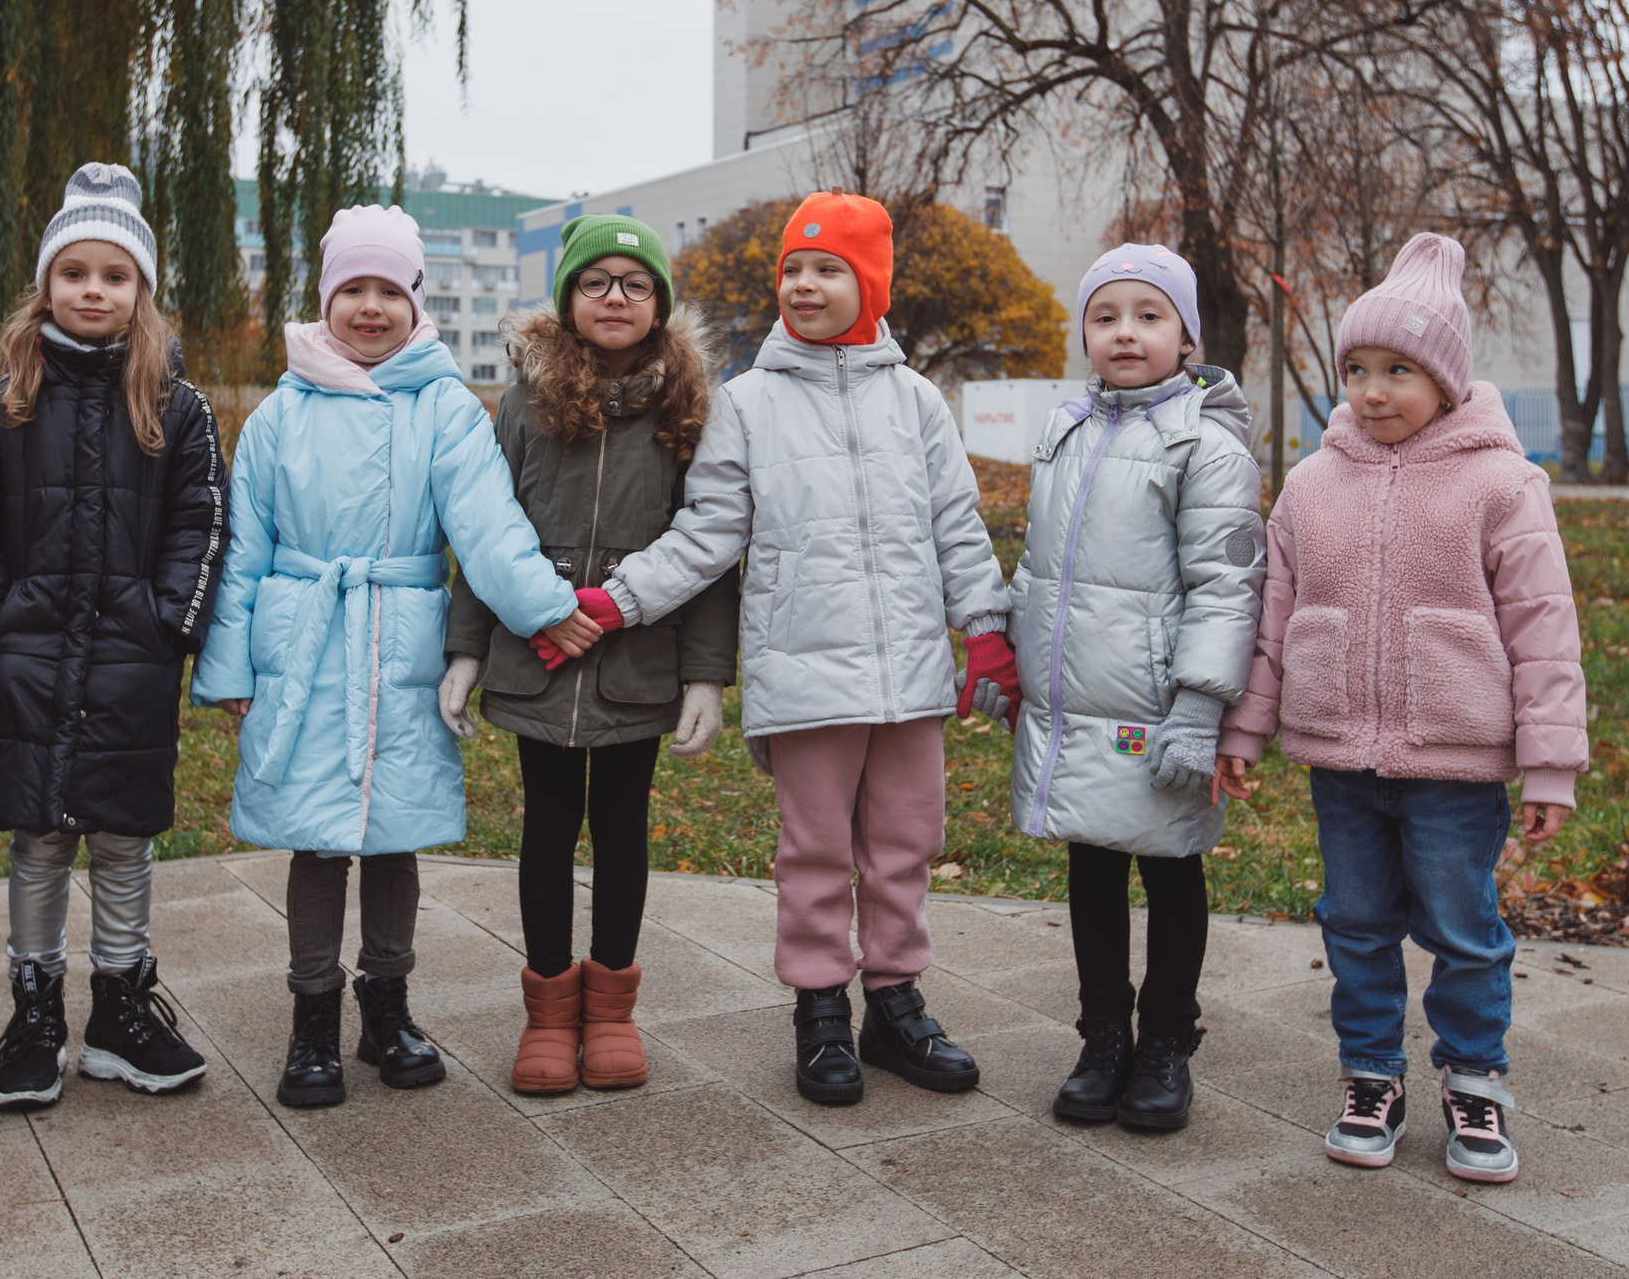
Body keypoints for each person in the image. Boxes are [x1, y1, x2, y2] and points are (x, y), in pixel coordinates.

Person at [568, 192, 1020, 1106]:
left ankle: (895, 1005)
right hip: (806, 674)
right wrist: (618, 601)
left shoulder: (918, 402)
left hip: (909, 680)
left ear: (872, 282)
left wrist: (988, 629)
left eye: (829, 269)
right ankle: (820, 1014)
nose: (805, 284)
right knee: (815, 848)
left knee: (903, 844)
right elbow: (706, 534)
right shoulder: (749, 403)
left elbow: (957, 528)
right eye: (794, 269)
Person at [192, 204, 598, 1110]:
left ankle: (388, 1005)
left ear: (416, 302)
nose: (370, 308)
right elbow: (243, 550)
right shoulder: (278, 417)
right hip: (303, 642)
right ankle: (310, 1022)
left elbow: (487, 525)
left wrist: (546, 606)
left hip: (400, 640)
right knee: (317, 841)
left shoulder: (444, 408)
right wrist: (229, 667)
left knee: (393, 836)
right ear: (327, 300)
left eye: (389, 291)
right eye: (353, 290)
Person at [1216, 232, 1586, 1186]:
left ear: (1450, 380)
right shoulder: (1310, 483)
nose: (1373, 390)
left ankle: (1476, 1078)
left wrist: (1550, 765)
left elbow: (1545, 629)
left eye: (1400, 370)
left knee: (1466, 931)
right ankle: (1371, 1073)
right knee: (1356, 923)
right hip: (1342, 759)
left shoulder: (1501, 483)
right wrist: (1247, 728)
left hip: (1454, 766)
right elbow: (1273, 620)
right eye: (1358, 368)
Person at [0, 162, 227, 1109]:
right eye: (75, 272)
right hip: (28, 653)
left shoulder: (176, 409)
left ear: (140, 290)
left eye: (115, 274)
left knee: (124, 834)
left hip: (131, 657)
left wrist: (168, 624)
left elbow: (203, 521)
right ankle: (34, 1013)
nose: (93, 290)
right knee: (40, 836)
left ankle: (122, 1009)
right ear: (47, 281)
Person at [441, 215, 739, 1096]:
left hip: (638, 655)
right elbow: (484, 533)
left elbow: (712, 550)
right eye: (596, 281)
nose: (615, 296)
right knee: (545, 826)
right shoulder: (522, 402)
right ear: (568, 298)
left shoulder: (689, 406)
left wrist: (706, 674)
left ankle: (610, 1007)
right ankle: (548, 1009)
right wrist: (467, 651)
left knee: (620, 827)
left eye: (635, 283)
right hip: (538, 651)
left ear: (659, 303)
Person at [1006, 244, 1263, 1131]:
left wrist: (1200, 706)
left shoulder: (1207, 443)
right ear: (1084, 332)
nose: (1126, 332)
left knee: (1171, 866)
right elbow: (1042, 568)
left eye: (1149, 315)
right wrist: (1015, 660)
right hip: (1077, 702)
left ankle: (1165, 1040)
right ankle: (1103, 1033)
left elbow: (1228, 588)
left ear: (1187, 336)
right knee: (1092, 865)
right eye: (1106, 314)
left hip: (1158, 712)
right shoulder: (1065, 430)